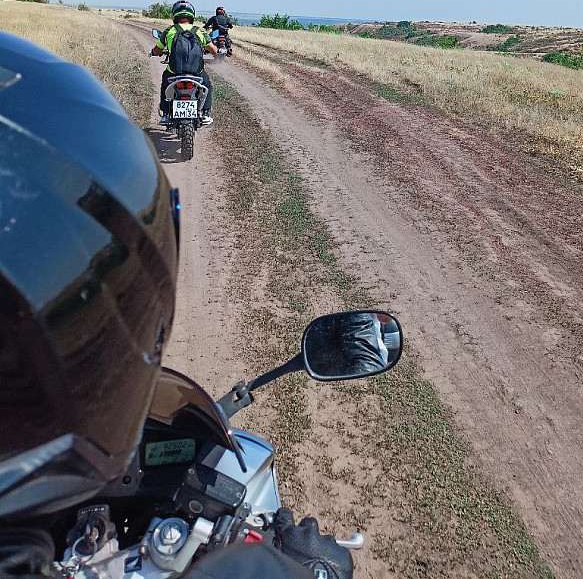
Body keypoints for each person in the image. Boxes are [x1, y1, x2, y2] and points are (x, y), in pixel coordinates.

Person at [0, 30, 353, 579]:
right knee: (194, 89)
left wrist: (169, 59)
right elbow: (212, 54)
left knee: (175, 84)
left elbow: (175, 55)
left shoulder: (176, 33)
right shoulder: (205, 33)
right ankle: (196, 112)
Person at [151, 0, 218, 126]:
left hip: (174, 72)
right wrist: (215, 53)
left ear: (175, 15)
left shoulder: (169, 31)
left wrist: (153, 53)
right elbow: (214, 50)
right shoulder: (199, 31)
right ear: (191, 15)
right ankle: (205, 113)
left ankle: (166, 114)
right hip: (196, 73)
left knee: (165, 84)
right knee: (207, 85)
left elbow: (157, 49)